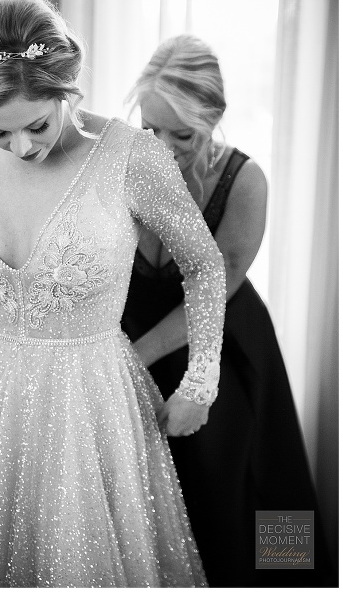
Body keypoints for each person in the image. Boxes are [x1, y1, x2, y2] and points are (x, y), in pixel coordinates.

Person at [0, 0, 226, 587]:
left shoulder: (130, 156)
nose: (21, 148)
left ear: (67, 89)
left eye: (36, 125)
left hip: (89, 401)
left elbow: (206, 266)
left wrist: (201, 379)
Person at [121, 34, 333, 587]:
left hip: (220, 351)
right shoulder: (123, 168)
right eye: (149, 129)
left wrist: (126, 360)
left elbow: (212, 288)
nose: (161, 146)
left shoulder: (245, 182)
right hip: (131, 344)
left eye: (181, 134)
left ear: (213, 118)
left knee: (230, 497)